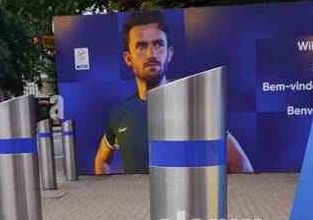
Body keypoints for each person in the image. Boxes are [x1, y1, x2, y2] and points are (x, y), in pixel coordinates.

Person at [94, 10, 253, 175]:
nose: (151, 54)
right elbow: (102, 160)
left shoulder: (191, 105)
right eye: (141, 46)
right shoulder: (119, 113)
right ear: (128, 58)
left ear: (169, 53)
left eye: (158, 44)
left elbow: (241, 165)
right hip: (135, 201)